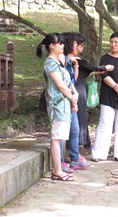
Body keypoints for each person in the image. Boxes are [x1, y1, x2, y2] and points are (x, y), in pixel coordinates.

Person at [36, 33, 78, 181]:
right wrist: (72, 99)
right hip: (58, 105)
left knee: (60, 137)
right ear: (51, 46)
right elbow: (60, 85)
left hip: (64, 104)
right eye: (59, 43)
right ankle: (57, 171)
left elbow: (67, 82)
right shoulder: (50, 64)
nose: (62, 45)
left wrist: (74, 95)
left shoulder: (58, 63)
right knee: (57, 138)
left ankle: (57, 170)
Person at [91, 32, 118, 162]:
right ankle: (99, 153)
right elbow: (104, 76)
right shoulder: (105, 58)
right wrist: (116, 87)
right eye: (111, 42)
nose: (113, 44)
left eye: (116, 42)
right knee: (105, 123)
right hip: (108, 94)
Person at [73, 33, 114, 152]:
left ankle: (80, 145)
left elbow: (87, 70)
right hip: (77, 88)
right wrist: (104, 68)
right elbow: (90, 67)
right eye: (81, 44)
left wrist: (97, 71)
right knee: (79, 116)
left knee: (81, 116)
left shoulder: (75, 59)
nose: (83, 47)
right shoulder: (75, 59)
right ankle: (78, 145)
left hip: (80, 86)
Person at [59, 33, 91, 171]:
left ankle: (75, 158)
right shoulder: (60, 59)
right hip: (62, 100)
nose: (77, 46)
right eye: (76, 43)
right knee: (61, 133)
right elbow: (62, 84)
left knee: (75, 130)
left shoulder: (70, 60)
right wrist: (72, 98)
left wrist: (76, 66)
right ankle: (60, 161)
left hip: (72, 98)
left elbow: (73, 80)